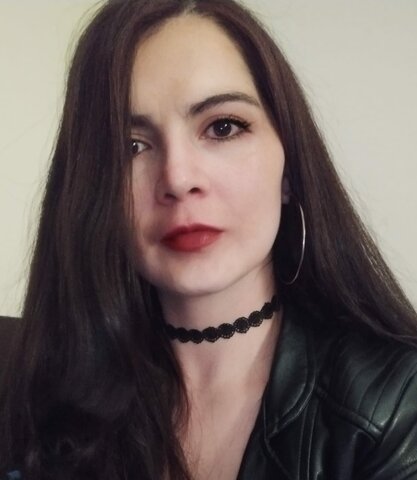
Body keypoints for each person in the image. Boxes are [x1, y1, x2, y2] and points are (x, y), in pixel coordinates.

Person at [1, 0, 417, 479]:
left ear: (289, 169)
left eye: (223, 127)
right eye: (130, 146)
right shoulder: (42, 390)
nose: (178, 179)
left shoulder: (392, 405)